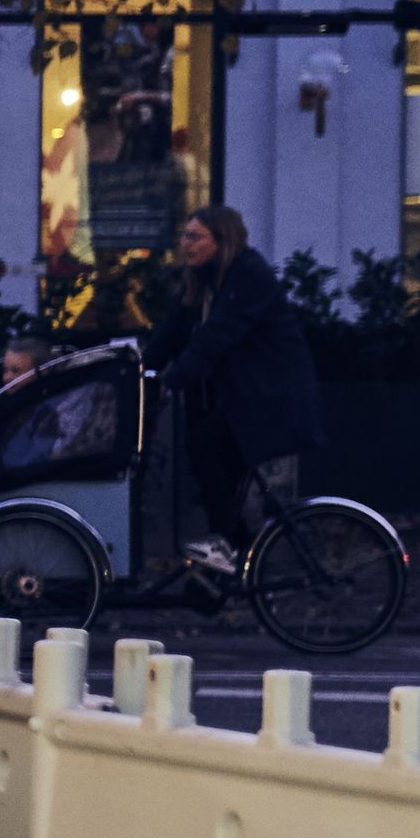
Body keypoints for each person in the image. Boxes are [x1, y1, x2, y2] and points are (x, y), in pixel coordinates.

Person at [147, 202, 323, 568]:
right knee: (211, 460)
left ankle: (233, 548)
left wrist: (169, 383)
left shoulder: (248, 276)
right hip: (244, 397)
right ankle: (237, 557)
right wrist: (141, 370)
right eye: (184, 236)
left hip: (272, 397)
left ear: (221, 240)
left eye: (195, 237)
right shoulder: (202, 280)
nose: (185, 244)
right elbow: (172, 334)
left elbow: (215, 337)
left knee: (204, 445)